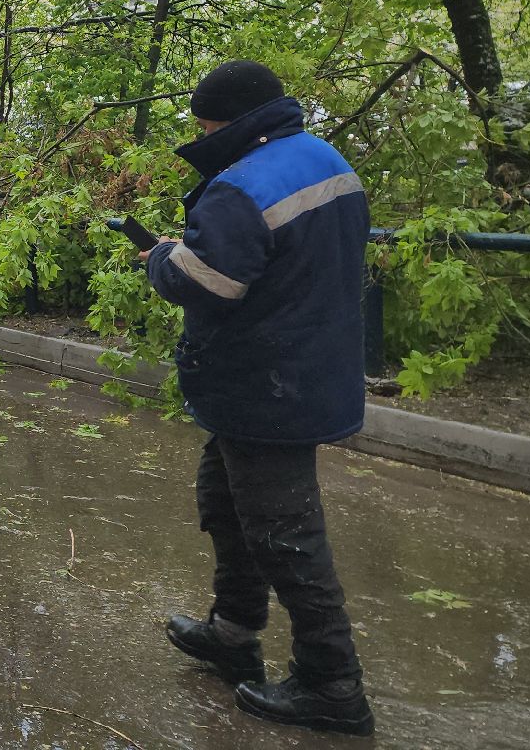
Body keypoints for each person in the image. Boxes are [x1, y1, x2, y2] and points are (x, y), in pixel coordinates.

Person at [139, 60, 374, 737]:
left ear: (228, 120)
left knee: (285, 535)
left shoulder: (241, 187)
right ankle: (233, 631)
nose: (202, 131)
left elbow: (206, 284)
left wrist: (162, 258)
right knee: (225, 501)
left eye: (204, 122)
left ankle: (333, 683)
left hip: (268, 386)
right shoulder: (323, 158)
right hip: (300, 370)